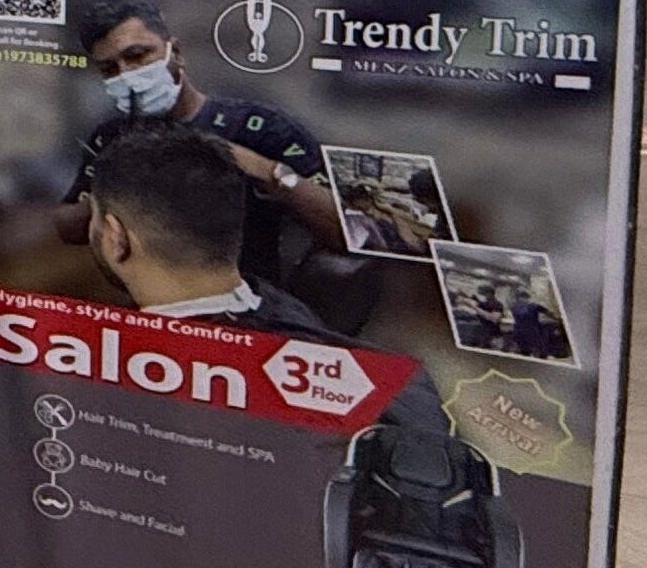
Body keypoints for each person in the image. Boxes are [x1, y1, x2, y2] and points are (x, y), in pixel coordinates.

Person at [84, 122, 445, 433]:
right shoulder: (394, 388)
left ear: (117, 239)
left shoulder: (93, 375)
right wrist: (273, 172)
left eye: (95, 217)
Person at [54, 0, 345, 280]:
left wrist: (267, 172)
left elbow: (347, 234)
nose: (127, 75)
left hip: (253, 298)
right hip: (153, 300)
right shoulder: (112, 137)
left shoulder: (259, 127)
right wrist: (120, 191)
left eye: (137, 56)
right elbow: (68, 226)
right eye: (110, 69)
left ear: (176, 53)